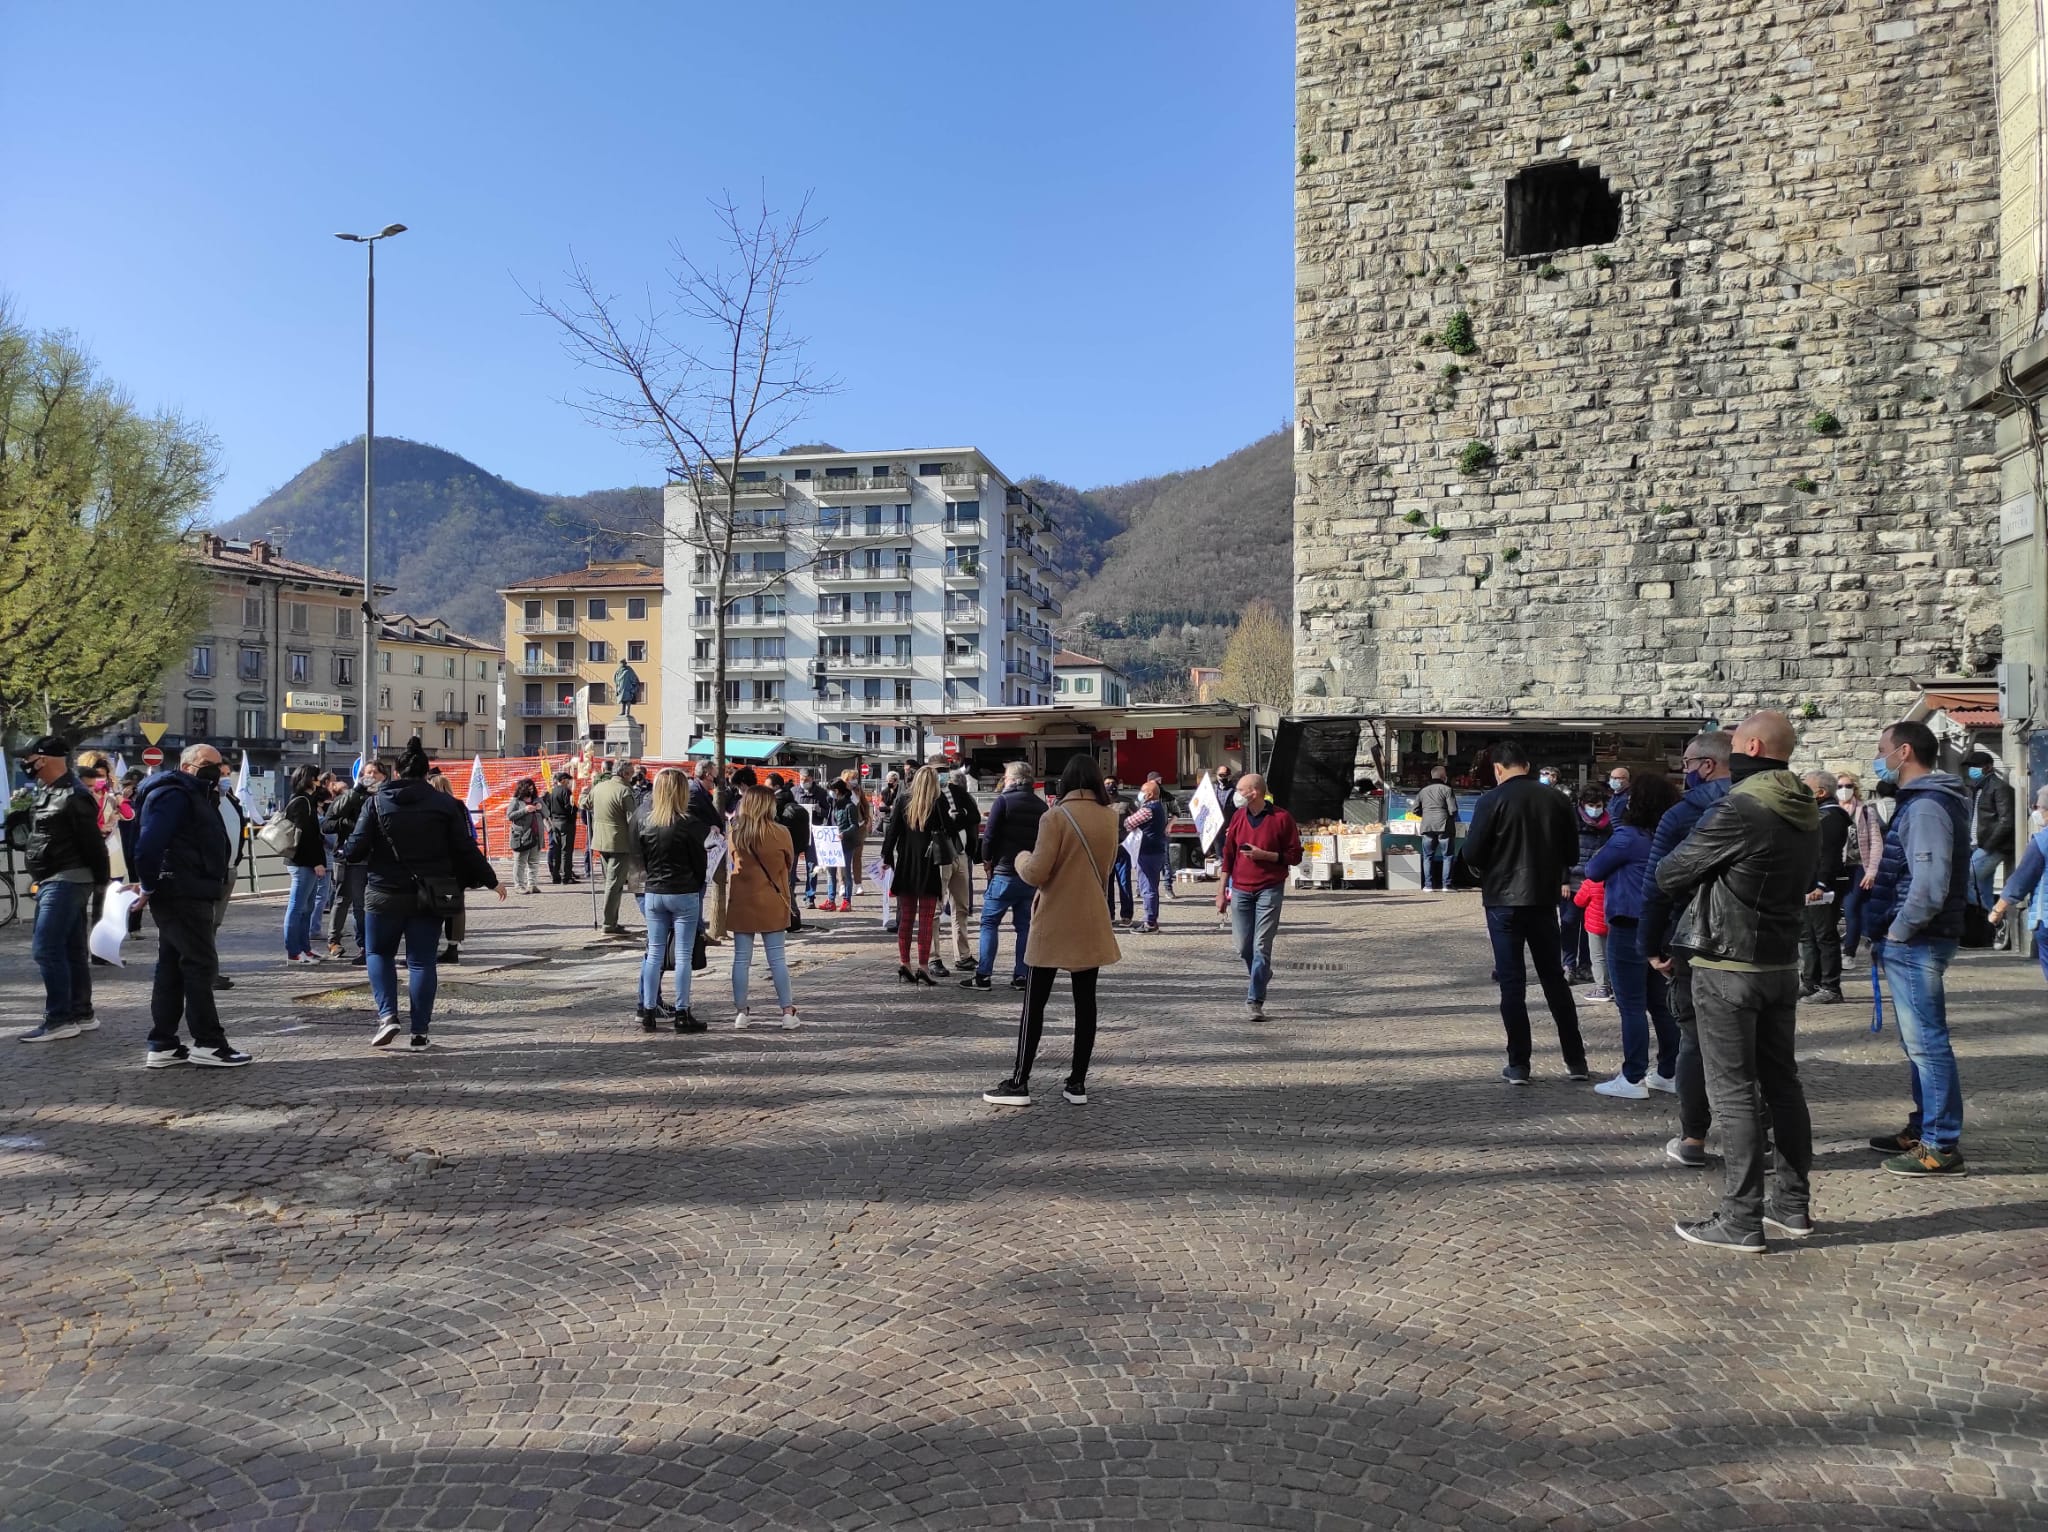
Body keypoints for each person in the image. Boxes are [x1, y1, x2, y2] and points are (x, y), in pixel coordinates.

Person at [1652, 710, 1818, 1252]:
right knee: (1784, 1086)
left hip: (1728, 965)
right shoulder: (1804, 806)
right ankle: (1792, 1205)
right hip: (1779, 962)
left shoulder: (1741, 808)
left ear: (1751, 745)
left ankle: (1741, 1217)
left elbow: (1670, 872)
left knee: (1736, 1094)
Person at [340, 737, 503, 1048]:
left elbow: (356, 847)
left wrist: (344, 850)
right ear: (427, 773)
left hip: (383, 891)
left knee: (378, 953)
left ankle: (388, 1016)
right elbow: (466, 848)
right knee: (421, 961)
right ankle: (420, 1032)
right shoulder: (445, 805)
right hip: (430, 893)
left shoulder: (374, 803)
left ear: (396, 773)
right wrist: (491, 880)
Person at [1863, 719, 1972, 1177]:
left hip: (1918, 941)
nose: (1879, 756)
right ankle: (1925, 1125)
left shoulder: (1926, 807)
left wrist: (1898, 931)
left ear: (1904, 752)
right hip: (1918, 939)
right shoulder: (1923, 803)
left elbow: (1928, 883)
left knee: (1927, 1044)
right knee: (1919, 1044)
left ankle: (1941, 1142)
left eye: (1882, 748)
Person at [984, 754, 1122, 1107]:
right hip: (1091, 917)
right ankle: (1077, 1082)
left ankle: (1020, 1081)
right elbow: (1105, 867)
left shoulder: (1056, 817)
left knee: (1035, 1002)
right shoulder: (1109, 817)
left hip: (1054, 918)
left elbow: (1036, 872)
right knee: (1085, 1003)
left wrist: (1018, 858)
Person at [1456, 742, 1588, 1083]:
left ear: (1499, 769)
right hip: (1543, 899)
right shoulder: (1558, 799)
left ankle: (1519, 1064)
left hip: (1502, 899)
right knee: (1554, 980)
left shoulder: (1491, 800)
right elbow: (1572, 854)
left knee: (1512, 983)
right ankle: (1576, 1060)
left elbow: (1471, 852)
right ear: (1528, 765)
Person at [128, 744, 250, 1067]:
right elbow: (148, 844)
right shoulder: (174, 794)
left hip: (184, 887)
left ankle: (164, 1043)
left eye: (219, 764)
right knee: (200, 964)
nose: (217, 770)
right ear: (186, 766)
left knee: (172, 966)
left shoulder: (191, 794)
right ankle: (208, 1042)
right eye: (208, 764)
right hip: (183, 889)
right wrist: (148, 883)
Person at [1584, 773, 1680, 1099]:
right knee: (1660, 1003)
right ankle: (1669, 1070)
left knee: (1631, 1005)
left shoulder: (1627, 838)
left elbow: (1594, 870)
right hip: (1661, 924)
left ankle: (1633, 1076)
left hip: (1629, 923)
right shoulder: (1667, 836)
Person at [14, 736, 109, 1044]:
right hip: (57, 877)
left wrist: (101, 881)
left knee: (46, 948)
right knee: (70, 949)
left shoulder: (73, 795)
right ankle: (81, 1012)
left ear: (46, 759)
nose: (27, 764)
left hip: (66, 879)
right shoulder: (49, 791)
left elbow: (93, 843)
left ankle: (58, 1019)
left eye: (31, 759)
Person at [1215, 770, 1303, 1022]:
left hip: (1269, 888)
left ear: (1254, 792)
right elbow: (1228, 857)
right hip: (1241, 889)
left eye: (1240, 790)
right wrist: (1221, 891)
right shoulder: (1238, 817)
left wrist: (1267, 856)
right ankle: (1262, 972)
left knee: (1261, 945)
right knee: (1243, 947)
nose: (1236, 795)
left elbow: (1295, 856)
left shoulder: (1282, 818)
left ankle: (1255, 1000)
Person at [635, 767, 709, 1033]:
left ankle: (648, 1011)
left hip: (654, 890)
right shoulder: (689, 823)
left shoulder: (646, 821)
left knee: (654, 952)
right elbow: (701, 863)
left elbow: (639, 859)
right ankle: (681, 1011)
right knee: (682, 955)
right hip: (683, 890)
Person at [964, 762, 1046, 991]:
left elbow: (989, 836)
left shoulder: (1003, 801)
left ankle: (983, 976)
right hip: (1028, 876)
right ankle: (1021, 976)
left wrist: (987, 860)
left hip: (1004, 872)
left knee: (989, 923)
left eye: (1006, 776)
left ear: (1012, 779)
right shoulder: (1041, 806)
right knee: (1024, 926)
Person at [726, 783, 800, 1028]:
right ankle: (787, 1012)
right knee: (777, 959)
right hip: (772, 900)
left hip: (742, 901)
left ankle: (741, 1012)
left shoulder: (735, 833)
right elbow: (788, 865)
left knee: (741, 959)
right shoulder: (781, 833)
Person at [881, 765, 955, 985]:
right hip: (928, 865)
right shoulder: (938, 801)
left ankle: (905, 964)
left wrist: (886, 858)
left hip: (906, 864)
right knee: (925, 920)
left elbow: (892, 832)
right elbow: (949, 829)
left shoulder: (903, 800)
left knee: (905, 919)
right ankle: (924, 966)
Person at [1799, 769, 1852, 1004]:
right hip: (1807, 883)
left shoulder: (1831, 817)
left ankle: (1830, 986)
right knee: (1807, 935)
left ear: (1820, 792)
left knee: (1824, 935)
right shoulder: (1817, 814)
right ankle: (1810, 982)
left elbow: (1828, 854)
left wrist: (1821, 883)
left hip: (1823, 887)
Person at [323, 762, 381, 955]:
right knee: (347, 900)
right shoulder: (351, 796)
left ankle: (365, 943)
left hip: (375, 857)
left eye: (376, 772)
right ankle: (343, 942)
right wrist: (350, 822)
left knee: (363, 903)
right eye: (368, 772)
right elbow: (329, 822)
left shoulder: (384, 796)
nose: (372, 776)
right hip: (350, 857)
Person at [1561, 783, 1613, 989]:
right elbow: (1561, 852)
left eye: (1598, 805)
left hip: (1596, 884)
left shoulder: (1608, 824)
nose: (1595, 808)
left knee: (1590, 927)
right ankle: (1568, 964)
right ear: (1582, 804)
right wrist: (1563, 880)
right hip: (1572, 882)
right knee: (1569, 924)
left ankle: (1585, 964)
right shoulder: (1571, 822)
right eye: (1591, 804)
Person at [1963, 751, 2016, 950]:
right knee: (1982, 889)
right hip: (1977, 845)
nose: (1971, 770)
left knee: (1966, 877)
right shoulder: (1977, 789)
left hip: (1991, 846)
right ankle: (1992, 926)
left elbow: (2006, 820)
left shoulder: (1999, 788)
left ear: (1987, 766)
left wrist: (1989, 844)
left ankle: (1996, 922)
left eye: (1975, 766)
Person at [1991, 806, 2048, 986]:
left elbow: (2021, 880)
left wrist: (1997, 909)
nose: (2036, 812)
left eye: (2040, 807)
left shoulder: (2042, 841)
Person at [280, 764, 330, 966]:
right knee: (297, 906)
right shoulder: (301, 802)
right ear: (308, 779)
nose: (319, 782)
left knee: (306, 907)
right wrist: (316, 862)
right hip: (302, 862)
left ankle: (304, 948)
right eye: (316, 778)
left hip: (306, 862)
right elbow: (305, 836)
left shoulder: (307, 800)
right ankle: (294, 951)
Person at [937, 769, 980, 973]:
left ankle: (962, 955)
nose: (943, 775)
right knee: (936, 908)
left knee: (961, 907)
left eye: (945, 771)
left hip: (960, 853)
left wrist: (958, 819)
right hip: (938, 855)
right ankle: (933, 957)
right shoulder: (928, 793)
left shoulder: (959, 792)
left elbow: (974, 816)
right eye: (939, 771)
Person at [590, 761, 639, 936]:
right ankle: (609, 923)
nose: (633, 777)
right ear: (625, 774)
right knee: (614, 884)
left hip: (601, 841)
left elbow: (586, 804)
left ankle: (611, 921)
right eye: (631, 774)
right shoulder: (624, 791)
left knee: (611, 882)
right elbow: (632, 819)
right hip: (619, 843)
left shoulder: (599, 787)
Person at [1123, 778, 1173, 933]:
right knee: (1152, 886)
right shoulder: (1159, 807)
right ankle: (1152, 919)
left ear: (1150, 794)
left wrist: (1133, 814)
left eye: (1143, 791)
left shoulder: (1148, 809)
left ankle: (1149, 922)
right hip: (1156, 851)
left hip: (1147, 853)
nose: (1140, 794)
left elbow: (1128, 823)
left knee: (1148, 887)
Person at [772, 775, 814, 932]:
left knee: (785, 883)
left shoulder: (777, 802)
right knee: (788, 882)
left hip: (781, 848)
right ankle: (791, 916)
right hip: (793, 848)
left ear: (775, 787)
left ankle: (792, 917)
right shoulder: (791, 798)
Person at [1415, 765, 1459, 893]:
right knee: (1448, 856)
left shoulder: (1423, 791)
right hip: (1444, 826)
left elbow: (1415, 809)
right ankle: (1447, 885)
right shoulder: (1447, 789)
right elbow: (1453, 810)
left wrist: (1426, 815)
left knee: (1428, 856)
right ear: (1443, 776)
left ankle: (1428, 885)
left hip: (1427, 826)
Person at [1103, 774, 1136, 928]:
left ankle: (1126, 915)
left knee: (1124, 883)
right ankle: (1108, 915)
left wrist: (1131, 840)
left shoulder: (1126, 802)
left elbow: (1138, 820)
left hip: (1123, 848)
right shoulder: (1099, 804)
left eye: (1112, 783)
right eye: (1107, 783)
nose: (1110, 786)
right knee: (1106, 884)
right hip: (1105, 850)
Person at [506, 778, 545, 894]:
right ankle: (519, 886)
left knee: (534, 862)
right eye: (529, 789)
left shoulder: (537, 800)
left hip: (536, 835)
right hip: (522, 836)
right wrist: (525, 810)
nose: (531, 791)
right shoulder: (516, 801)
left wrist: (541, 807)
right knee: (520, 862)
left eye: (532, 788)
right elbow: (510, 816)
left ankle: (532, 884)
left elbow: (547, 813)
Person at [545, 772, 579, 885]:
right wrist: (575, 809)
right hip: (566, 822)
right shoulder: (566, 791)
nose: (569, 783)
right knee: (567, 850)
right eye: (568, 781)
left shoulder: (552, 791)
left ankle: (556, 875)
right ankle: (566, 876)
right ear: (564, 780)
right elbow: (569, 807)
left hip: (555, 822)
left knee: (557, 849)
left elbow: (548, 808)